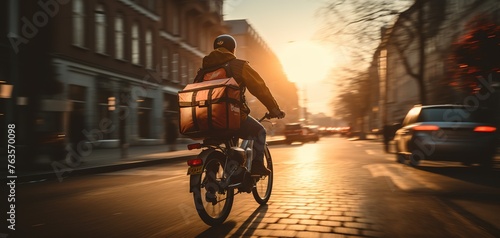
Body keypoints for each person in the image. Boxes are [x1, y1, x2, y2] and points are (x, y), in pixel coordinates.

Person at [201, 34, 285, 175]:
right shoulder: (239, 66)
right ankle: (257, 166)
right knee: (260, 132)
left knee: (229, 144)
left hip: (207, 120)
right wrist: (273, 108)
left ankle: (223, 174)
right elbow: (260, 88)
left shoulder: (204, 70)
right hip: (232, 117)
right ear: (233, 50)